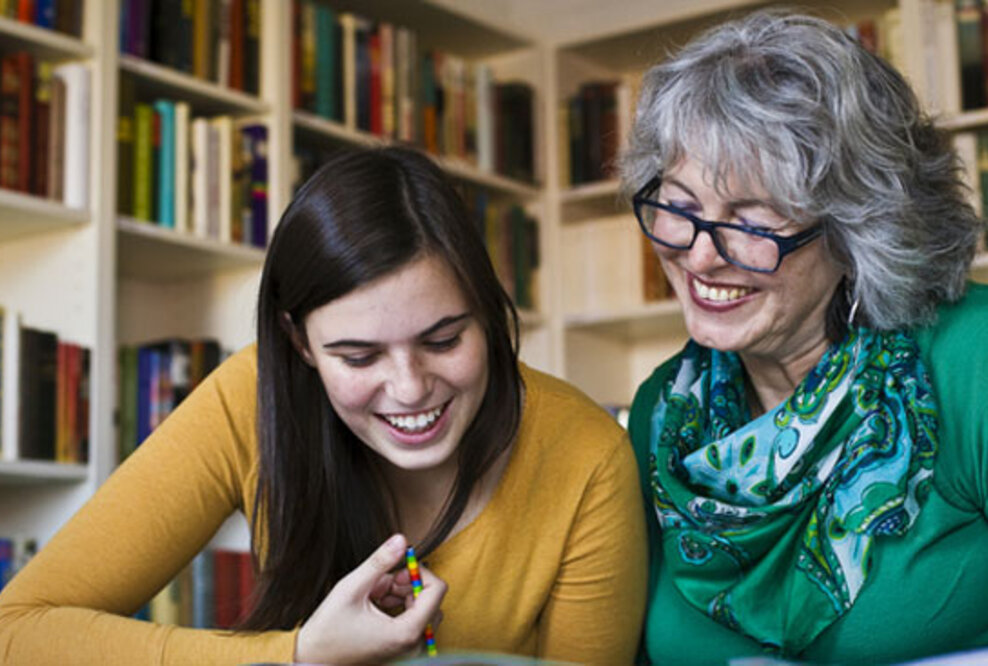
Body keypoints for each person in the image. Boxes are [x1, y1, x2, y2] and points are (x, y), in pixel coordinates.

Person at [0, 146, 646, 665]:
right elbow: (17, 632)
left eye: (444, 339)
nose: (410, 387)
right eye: (359, 357)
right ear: (299, 344)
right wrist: (301, 656)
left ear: (486, 311)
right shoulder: (250, 397)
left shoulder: (586, 455)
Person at [622, 9, 988, 665]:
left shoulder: (972, 359)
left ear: (860, 232)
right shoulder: (662, 412)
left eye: (752, 220)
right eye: (679, 208)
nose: (701, 258)